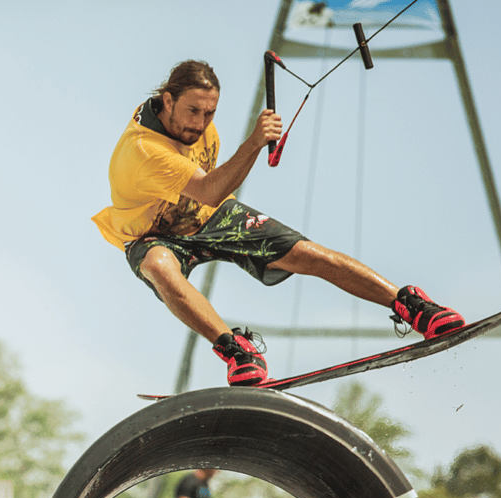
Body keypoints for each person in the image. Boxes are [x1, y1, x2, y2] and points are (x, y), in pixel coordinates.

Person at [93, 60, 465, 386]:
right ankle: (237, 351)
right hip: (152, 234)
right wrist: (255, 142)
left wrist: (252, 149)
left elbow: (214, 191)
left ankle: (410, 305)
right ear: (168, 100)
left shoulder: (197, 124)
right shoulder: (145, 149)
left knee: (307, 254)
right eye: (193, 111)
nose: (201, 123)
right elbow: (208, 188)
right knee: (158, 266)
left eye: (210, 113)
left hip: (209, 216)